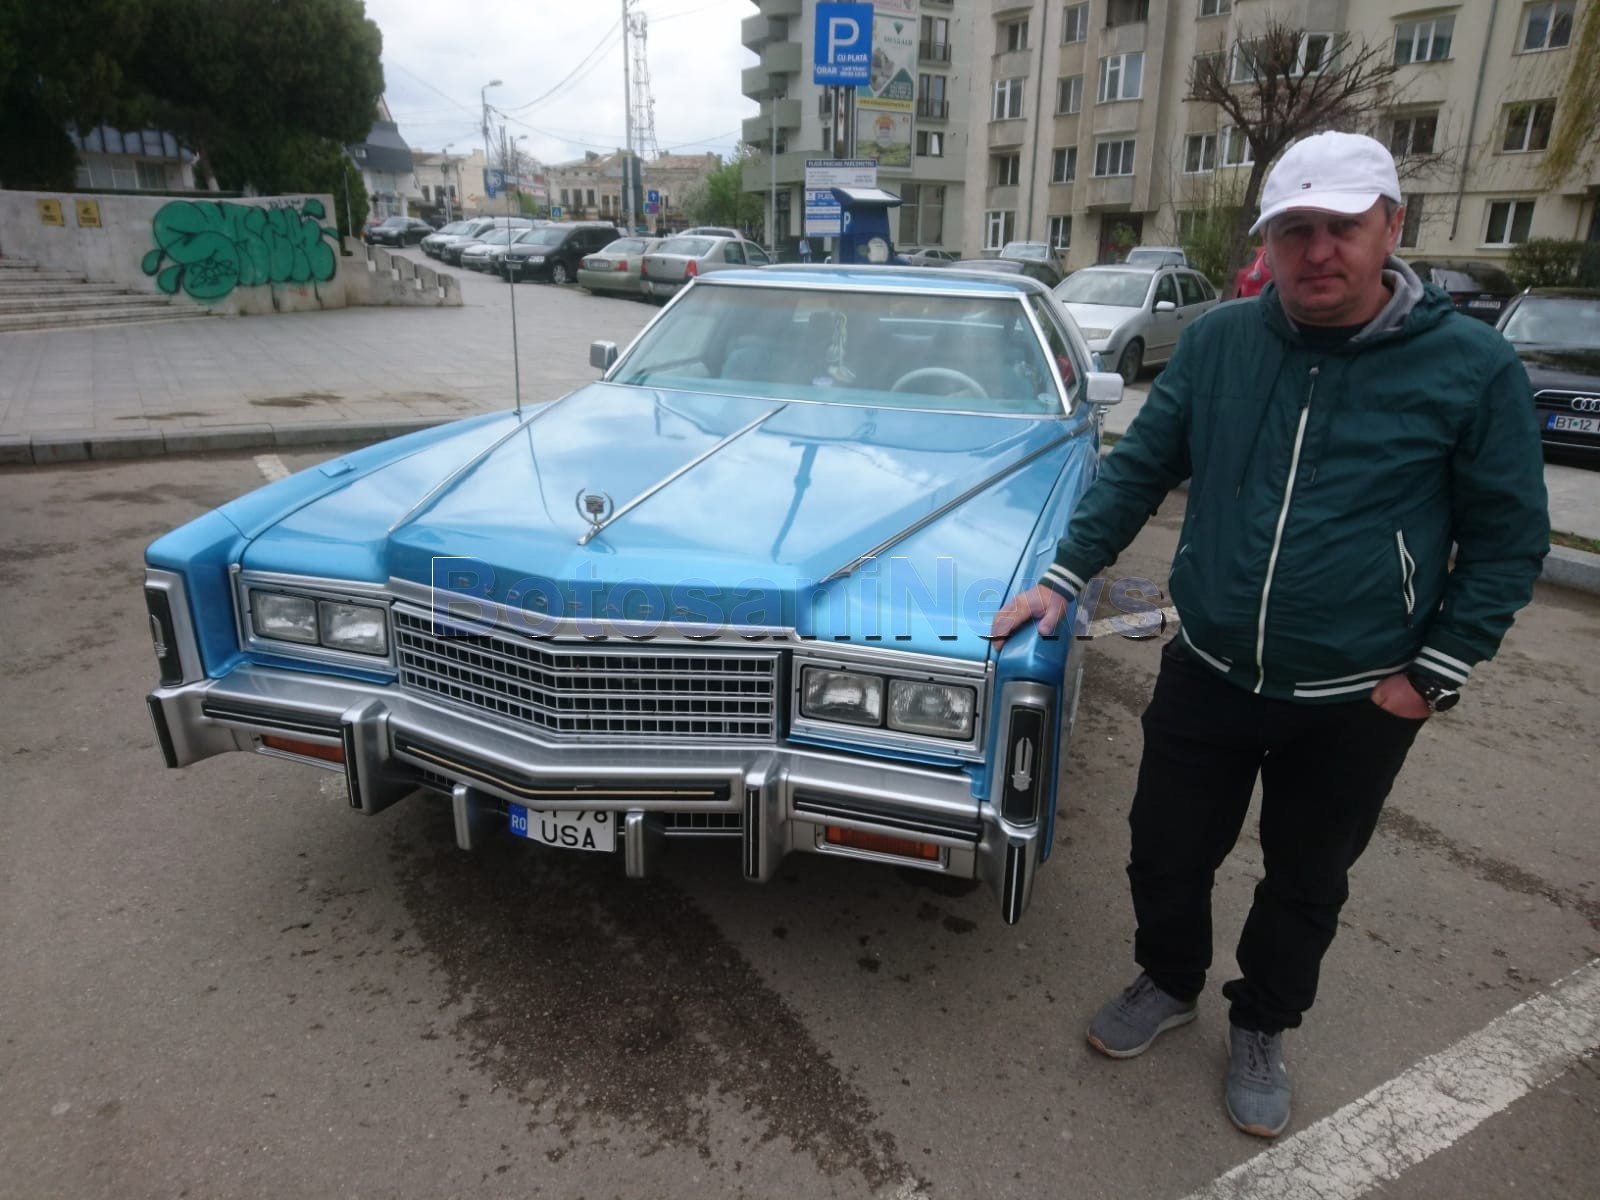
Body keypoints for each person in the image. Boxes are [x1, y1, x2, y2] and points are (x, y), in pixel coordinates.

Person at [990, 131, 1549, 1138]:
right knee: (1164, 853)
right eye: (1295, 230)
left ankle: (1262, 1021)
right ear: (1268, 242)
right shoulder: (1219, 343)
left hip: (1356, 695)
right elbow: (1139, 467)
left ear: (1391, 227)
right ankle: (1169, 982)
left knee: (1306, 879)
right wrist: (1062, 578)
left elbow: (1508, 540)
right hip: (1208, 669)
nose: (1317, 250)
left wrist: (1432, 674)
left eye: (1342, 226)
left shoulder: (1471, 368)